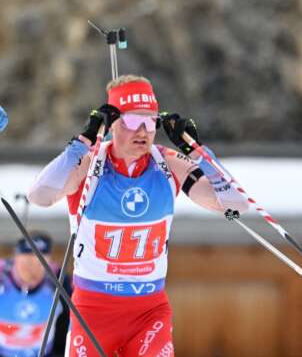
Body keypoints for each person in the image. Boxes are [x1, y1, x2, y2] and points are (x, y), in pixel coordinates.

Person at [27, 75, 248, 357]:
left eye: (150, 121)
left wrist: (197, 151)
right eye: (132, 121)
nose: (142, 131)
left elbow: (236, 203)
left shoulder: (167, 163)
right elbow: (40, 195)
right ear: (112, 123)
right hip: (93, 311)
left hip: (148, 310)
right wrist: (83, 141)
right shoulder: (90, 164)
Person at [0, 232, 71, 357]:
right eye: (27, 263)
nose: (32, 270)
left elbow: (71, 320)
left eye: (40, 264)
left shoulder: (59, 281)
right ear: (15, 259)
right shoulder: (2, 278)